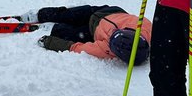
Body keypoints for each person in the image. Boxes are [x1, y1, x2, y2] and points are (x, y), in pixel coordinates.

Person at [20, 5, 152, 64]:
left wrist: (50, 42)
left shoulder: (106, 49)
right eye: (115, 33)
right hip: (105, 11)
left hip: (91, 30)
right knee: (68, 14)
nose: (111, 34)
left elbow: (76, 48)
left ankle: (51, 28)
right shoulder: (145, 27)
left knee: (67, 32)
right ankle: (38, 14)